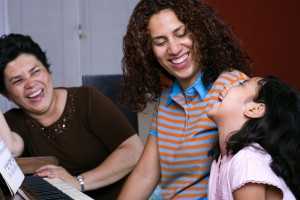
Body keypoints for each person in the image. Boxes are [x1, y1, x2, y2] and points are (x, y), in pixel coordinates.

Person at [118, 0, 252, 199]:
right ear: (149, 52)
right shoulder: (166, 101)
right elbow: (145, 175)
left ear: (200, 32)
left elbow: (250, 170)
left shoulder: (231, 87)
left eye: (181, 34)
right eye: (160, 42)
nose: (173, 49)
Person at [0, 33, 144, 200]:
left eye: (35, 72)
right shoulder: (13, 122)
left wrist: (78, 182)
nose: (31, 84)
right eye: (18, 81)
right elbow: (11, 148)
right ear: (7, 94)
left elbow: (133, 150)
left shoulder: (87, 99)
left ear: (48, 71)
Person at [207, 76, 299, 200]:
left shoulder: (247, 161)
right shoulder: (220, 161)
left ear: (254, 109)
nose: (225, 87)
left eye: (241, 84)